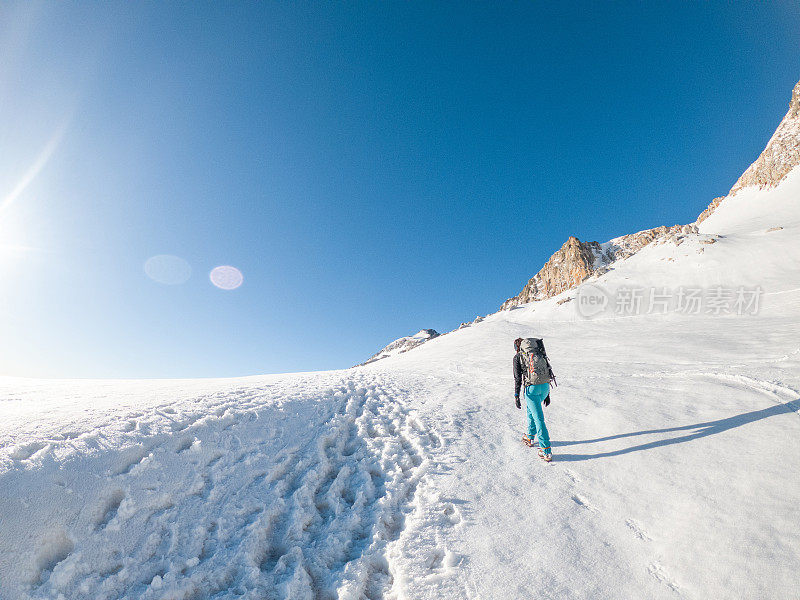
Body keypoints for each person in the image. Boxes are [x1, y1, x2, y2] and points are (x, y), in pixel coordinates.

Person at [513, 337, 552, 461]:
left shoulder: (518, 357)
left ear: (516, 347)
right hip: (545, 387)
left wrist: (516, 395)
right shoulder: (537, 353)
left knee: (538, 418)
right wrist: (548, 395)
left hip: (532, 389)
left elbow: (518, 378)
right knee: (531, 411)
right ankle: (529, 437)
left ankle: (546, 450)